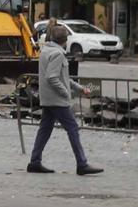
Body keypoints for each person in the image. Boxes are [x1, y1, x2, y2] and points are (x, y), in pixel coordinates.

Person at [29, 23, 100, 176]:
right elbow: (53, 78)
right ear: (65, 39)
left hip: (47, 98)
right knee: (72, 128)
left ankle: (34, 161)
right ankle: (82, 164)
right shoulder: (58, 54)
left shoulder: (46, 51)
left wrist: (79, 88)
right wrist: (65, 93)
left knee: (45, 129)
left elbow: (63, 77)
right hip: (57, 100)